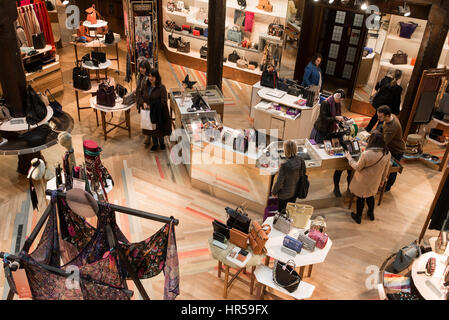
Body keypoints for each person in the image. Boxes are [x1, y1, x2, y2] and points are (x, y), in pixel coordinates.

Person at [310, 89, 350, 197]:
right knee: (315, 149)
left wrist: (340, 120)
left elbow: (337, 116)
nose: (339, 100)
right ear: (335, 95)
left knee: (324, 149)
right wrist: (335, 118)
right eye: (338, 98)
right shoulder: (326, 103)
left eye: (340, 99)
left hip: (329, 130)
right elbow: (323, 117)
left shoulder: (337, 104)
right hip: (321, 129)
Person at [345, 131, 391, 224]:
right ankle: (371, 214)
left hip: (363, 180)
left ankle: (358, 217)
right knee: (370, 196)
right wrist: (383, 180)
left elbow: (357, 167)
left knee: (361, 198)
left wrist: (349, 158)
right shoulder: (387, 153)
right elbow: (386, 169)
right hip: (375, 180)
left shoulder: (366, 154)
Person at [140, 68, 172, 152]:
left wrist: (152, 106)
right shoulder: (146, 86)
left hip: (159, 113)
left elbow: (163, 101)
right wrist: (143, 102)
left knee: (159, 129)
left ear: (157, 77)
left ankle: (161, 143)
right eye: (149, 76)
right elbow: (141, 96)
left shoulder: (161, 88)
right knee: (152, 129)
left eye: (153, 76)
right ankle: (155, 144)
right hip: (149, 112)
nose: (151, 78)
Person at [375, 105, 406, 191]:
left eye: (380, 116)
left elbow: (384, 143)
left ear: (387, 115)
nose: (378, 118)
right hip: (390, 147)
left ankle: (387, 187)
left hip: (396, 150)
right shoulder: (391, 117)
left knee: (392, 170)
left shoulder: (392, 127)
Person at [272, 140, 306, 212]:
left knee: (282, 213)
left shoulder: (284, 166)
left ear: (285, 150)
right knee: (290, 211)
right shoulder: (301, 160)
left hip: (284, 195)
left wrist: (274, 192)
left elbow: (279, 183)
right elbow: (303, 174)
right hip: (295, 192)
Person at [137, 59, 151, 144]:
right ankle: (147, 134)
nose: (141, 69)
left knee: (147, 119)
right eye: (140, 67)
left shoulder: (148, 78)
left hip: (146, 102)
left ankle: (148, 137)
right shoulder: (141, 76)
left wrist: (144, 102)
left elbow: (147, 92)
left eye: (143, 68)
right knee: (144, 118)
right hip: (142, 101)